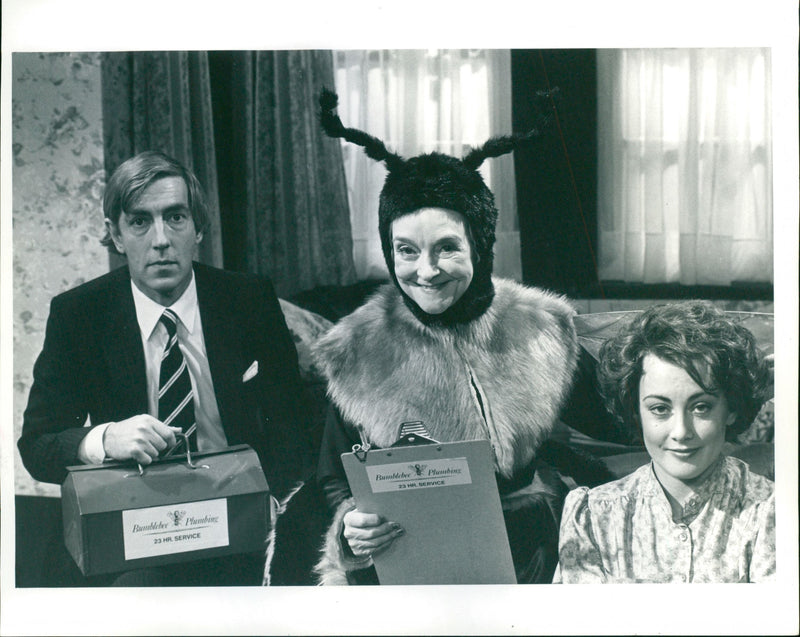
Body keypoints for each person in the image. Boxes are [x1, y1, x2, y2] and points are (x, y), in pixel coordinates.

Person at [267, 89, 592, 586]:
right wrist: (353, 525)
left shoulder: (544, 327)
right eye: (406, 250)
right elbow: (333, 474)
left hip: (530, 557)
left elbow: (616, 417)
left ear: (479, 247)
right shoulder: (355, 348)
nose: (426, 271)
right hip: (406, 561)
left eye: (446, 248)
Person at [18, 151, 312, 586]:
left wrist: (279, 499)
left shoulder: (248, 299)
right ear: (115, 235)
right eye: (140, 221)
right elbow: (38, 446)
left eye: (175, 218)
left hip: (237, 512)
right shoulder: (79, 314)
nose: (160, 239)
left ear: (199, 230)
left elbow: (295, 423)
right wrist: (105, 438)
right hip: (136, 517)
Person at [554, 301, 775, 583]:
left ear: (731, 408)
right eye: (660, 408)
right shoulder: (592, 516)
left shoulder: (771, 510)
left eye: (701, 407)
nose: (681, 431)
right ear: (635, 411)